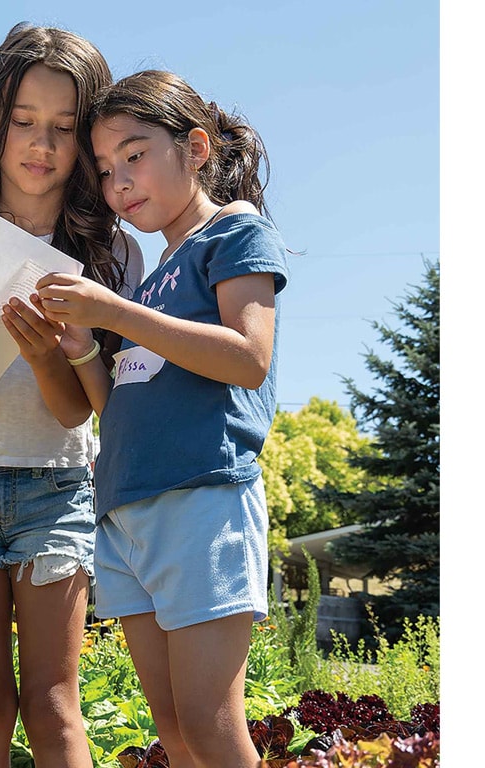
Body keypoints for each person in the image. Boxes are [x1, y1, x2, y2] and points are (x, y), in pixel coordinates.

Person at [32, 70, 290, 768]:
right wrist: (86, 350)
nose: (119, 182)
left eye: (135, 154)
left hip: (203, 500)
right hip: (128, 516)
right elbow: (117, 411)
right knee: (175, 733)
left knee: (210, 726)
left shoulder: (234, 232)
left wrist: (113, 313)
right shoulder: (154, 277)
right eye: (108, 169)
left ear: (197, 148)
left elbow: (248, 358)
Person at [0, 22, 144, 768]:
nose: (41, 145)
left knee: (52, 706)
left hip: (57, 490)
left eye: (64, 129)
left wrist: (45, 355)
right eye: (24, 123)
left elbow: (81, 410)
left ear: (87, 141)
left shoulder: (109, 248)